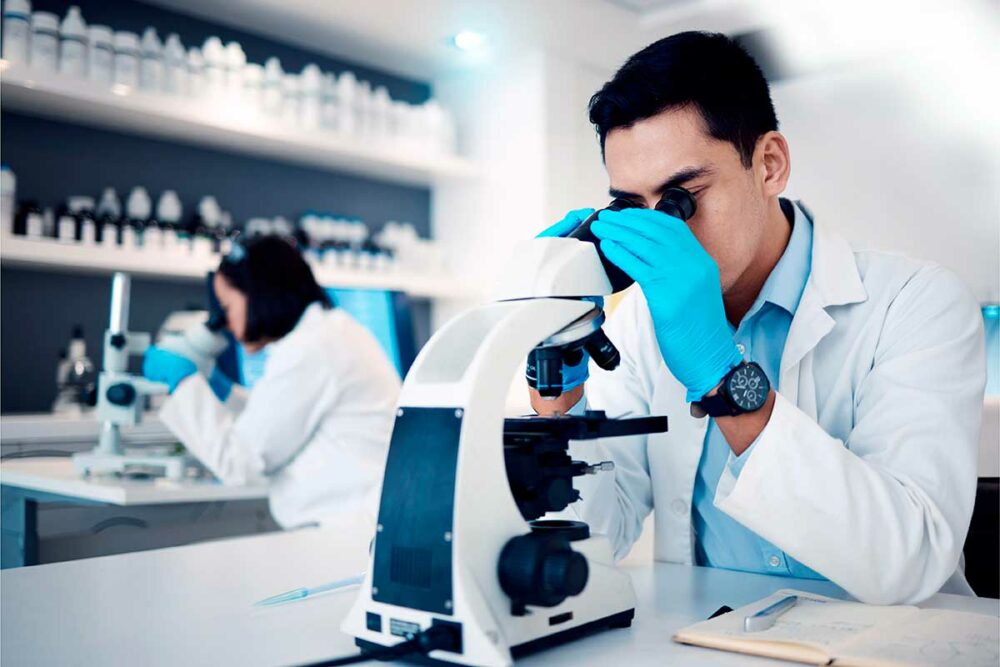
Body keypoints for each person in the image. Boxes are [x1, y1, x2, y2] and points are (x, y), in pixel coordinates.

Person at [533, 32, 986, 605]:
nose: (662, 235)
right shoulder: (637, 324)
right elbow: (597, 535)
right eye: (631, 208)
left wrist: (723, 381)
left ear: (769, 164)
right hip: (708, 640)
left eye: (682, 198)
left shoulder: (917, 302)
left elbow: (908, 562)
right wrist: (558, 387)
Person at [143, 235, 401, 529]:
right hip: (350, 527)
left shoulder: (309, 348)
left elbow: (239, 462)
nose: (225, 323)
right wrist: (222, 391)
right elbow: (278, 419)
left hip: (344, 531)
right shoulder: (328, 332)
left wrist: (183, 383)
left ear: (257, 295)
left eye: (227, 308)